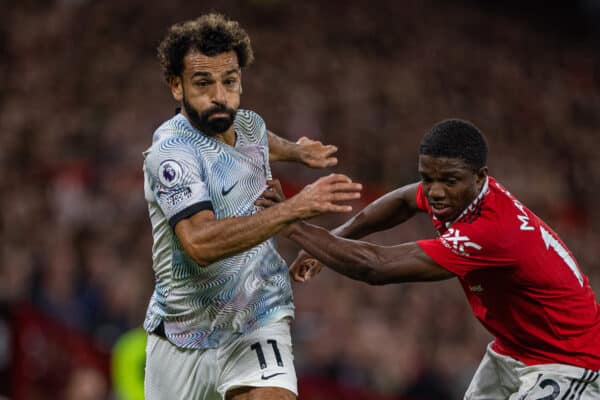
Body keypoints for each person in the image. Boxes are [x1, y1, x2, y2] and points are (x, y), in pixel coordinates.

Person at [272, 119, 600, 399]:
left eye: (449, 181)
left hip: (568, 361)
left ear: (480, 177)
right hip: (515, 349)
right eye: (427, 178)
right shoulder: (461, 196)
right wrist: (336, 237)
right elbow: (402, 201)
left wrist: (290, 223)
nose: (435, 192)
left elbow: (376, 267)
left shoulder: (492, 231)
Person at [142, 13, 362, 400]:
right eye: (203, 83)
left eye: (229, 81)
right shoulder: (172, 153)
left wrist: (296, 150)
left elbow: (260, 138)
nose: (219, 96)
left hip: (256, 317)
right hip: (182, 335)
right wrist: (293, 209)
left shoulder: (247, 124)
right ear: (176, 86)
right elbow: (200, 244)